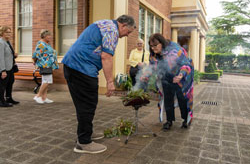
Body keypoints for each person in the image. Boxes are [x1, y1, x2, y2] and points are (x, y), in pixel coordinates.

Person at [62, 15, 136, 154]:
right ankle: (84, 142)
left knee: (82, 104)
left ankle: (85, 133)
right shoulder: (112, 31)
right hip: (82, 68)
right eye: (129, 32)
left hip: (71, 65)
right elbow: (106, 57)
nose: (127, 35)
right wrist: (109, 82)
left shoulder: (104, 23)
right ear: (124, 25)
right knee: (88, 104)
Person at [147, 33, 193, 130]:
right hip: (166, 75)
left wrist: (180, 75)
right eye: (151, 46)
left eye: (155, 45)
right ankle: (169, 121)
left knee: (182, 98)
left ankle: (186, 119)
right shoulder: (154, 53)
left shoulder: (174, 49)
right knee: (168, 97)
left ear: (161, 43)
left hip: (180, 75)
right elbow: (152, 65)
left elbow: (186, 64)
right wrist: (146, 74)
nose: (153, 48)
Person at [32, 29, 59, 104]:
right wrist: (35, 62)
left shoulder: (46, 44)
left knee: (45, 81)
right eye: (48, 36)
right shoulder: (41, 44)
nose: (50, 37)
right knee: (47, 81)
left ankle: (44, 98)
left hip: (48, 64)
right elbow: (35, 55)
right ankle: (38, 96)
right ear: (44, 36)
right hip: (44, 64)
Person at [0, 26, 19, 107]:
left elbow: (7, 55)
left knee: (10, 82)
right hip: (4, 68)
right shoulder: (1, 43)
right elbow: (1, 57)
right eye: (7, 32)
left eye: (9, 32)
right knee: (2, 85)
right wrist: (3, 70)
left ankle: (9, 98)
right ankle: (1, 101)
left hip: (10, 67)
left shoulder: (8, 42)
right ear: (2, 33)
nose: (9, 34)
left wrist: (14, 55)